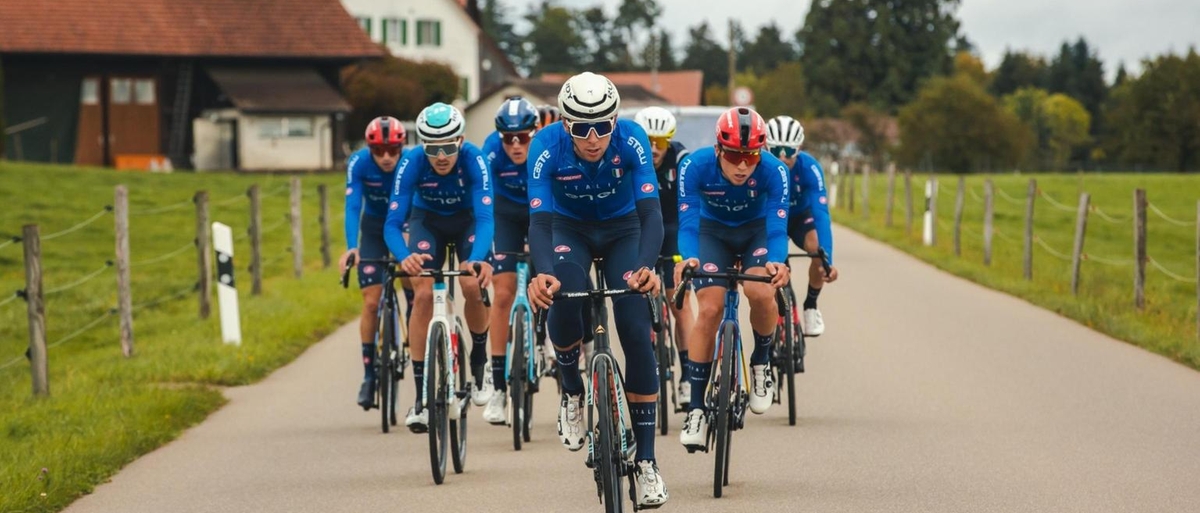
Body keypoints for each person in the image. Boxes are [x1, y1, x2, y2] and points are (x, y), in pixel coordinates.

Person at [526, 72, 668, 508]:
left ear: (615, 120)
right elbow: (540, 222)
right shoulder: (544, 146)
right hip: (569, 229)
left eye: (603, 126)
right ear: (565, 123)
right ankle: (571, 387)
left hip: (625, 229)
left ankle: (645, 462)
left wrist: (646, 267)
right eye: (582, 128)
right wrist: (543, 272)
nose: (593, 138)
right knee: (563, 296)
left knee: (635, 328)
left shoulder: (633, 140)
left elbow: (652, 214)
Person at [674, 107, 792, 450]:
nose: (742, 165)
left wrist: (776, 262)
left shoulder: (774, 171)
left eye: (751, 155)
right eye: (734, 155)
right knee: (709, 310)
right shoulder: (693, 167)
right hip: (711, 234)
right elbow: (688, 224)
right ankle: (696, 408)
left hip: (756, 234)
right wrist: (689, 257)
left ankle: (761, 361)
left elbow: (777, 228)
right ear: (718, 150)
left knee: (759, 291)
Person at [383, 102, 495, 433]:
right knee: (421, 290)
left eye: (448, 146)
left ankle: (478, 357)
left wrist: (477, 258)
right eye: (433, 148)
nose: (442, 156)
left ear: (460, 140)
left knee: (471, 284)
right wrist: (405, 255)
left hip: (468, 223)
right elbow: (392, 223)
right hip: (427, 222)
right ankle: (420, 399)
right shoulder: (411, 161)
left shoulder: (475, 159)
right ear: (423, 145)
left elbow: (487, 217)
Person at [340, 116, 412, 409]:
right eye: (379, 151)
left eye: (392, 150)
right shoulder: (358, 163)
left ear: (402, 147)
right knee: (371, 302)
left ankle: (414, 331)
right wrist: (351, 248)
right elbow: (353, 206)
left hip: (404, 226)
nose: (386, 157)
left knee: (414, 285)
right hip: (372, 230)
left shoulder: (410, 163)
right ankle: (369, 375)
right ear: (370, 149)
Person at [480, 96, 540, 425]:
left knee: (550, 283)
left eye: (523, 138)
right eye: (508, 139)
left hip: (538, 215)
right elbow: (483, 201)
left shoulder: (544, 148)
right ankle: (500, 386)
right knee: (503, 295)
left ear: (534, 132)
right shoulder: (490, 151)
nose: (515, 146)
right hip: (505, 218)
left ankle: (547, 339)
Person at [633, 106, 695, 409]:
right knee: (638, 304)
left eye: (661, 141)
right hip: (641, 231)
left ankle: (687, 376)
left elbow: (690, 207)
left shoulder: (681, 161)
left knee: (679, 301)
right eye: (648, 141)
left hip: (673, 231)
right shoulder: (630, 159)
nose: (654, 148)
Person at [765, 115, 839, 339]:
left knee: (816, 247)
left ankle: (811, 305)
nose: (783, 156)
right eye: (777, 150)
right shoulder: (760, 167)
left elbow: (821, 215)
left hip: (799, 216)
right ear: (767, 146)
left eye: (789, 150)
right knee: (770, 265)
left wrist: (828, 260)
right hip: (769, 218)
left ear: (799, 148)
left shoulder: (810, 168)